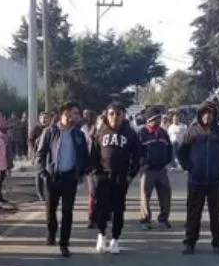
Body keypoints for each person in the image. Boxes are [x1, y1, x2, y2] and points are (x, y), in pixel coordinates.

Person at [178, 101, 219, 255]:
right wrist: (189, 166)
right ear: (199, 114)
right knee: (193, 213)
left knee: (217, 214)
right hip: (196, 180)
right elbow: (181, 152)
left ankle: (218, 244)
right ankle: (190, 242)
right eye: (204, 113)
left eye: (210, 113)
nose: (207, 116)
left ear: (215, 115)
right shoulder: (192, 132)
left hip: (216, 181)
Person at [36, 102, 89, 257]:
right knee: (50, 209)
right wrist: (43, 172)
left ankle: (64, 243)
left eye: (77, 113)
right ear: (64, 114)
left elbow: (84, 155)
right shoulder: (50, 131)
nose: (77, 116)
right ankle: (51, 232)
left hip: (70, 177)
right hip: (53, 177)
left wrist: (82, 172)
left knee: (67, 211)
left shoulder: (78, 134)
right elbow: (40, 154)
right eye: (74, 113)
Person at [90, 103, 141, 254]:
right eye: (111, 114)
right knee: (102, 207)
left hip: (120, 176)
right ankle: (101, 235)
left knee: (118, 209)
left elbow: (137, 157)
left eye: (118, 114)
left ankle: (115, 239)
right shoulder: (100, 132)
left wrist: (131, 175)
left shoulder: (130, 133)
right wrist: (95, 173)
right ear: (107, 115)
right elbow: (94, 154)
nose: (114, 117)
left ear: (123, 116)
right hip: (103, 176)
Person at [137, 109, 174, 230]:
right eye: (156, 118)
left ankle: (163, 219)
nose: (159, 120)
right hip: (148, 170)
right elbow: (137, 151)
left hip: (161, 170)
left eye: (159, 118)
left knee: (165, 195)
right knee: (145, 196)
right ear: (149, 120)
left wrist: (167, 161)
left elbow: (169, 148)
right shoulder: (142, 133)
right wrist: (143, 163)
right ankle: (145, 220)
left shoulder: (163, 133)